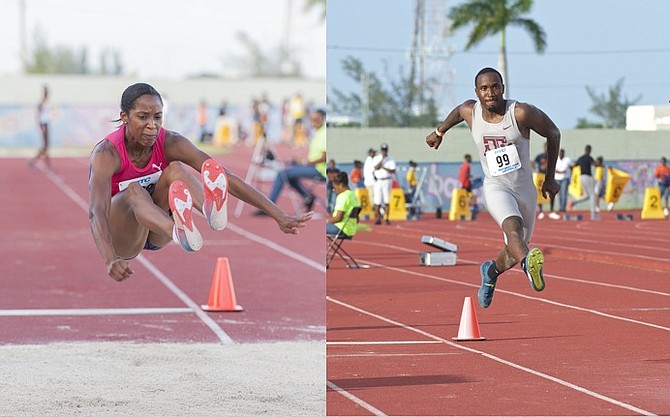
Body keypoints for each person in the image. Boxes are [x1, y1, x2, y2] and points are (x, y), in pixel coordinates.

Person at [88, 83, 312, 282]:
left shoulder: (170, 142)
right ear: (125, 117)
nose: (152, 125)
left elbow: (225, 178)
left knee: (176, 169)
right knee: (134, 191)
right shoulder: (107, 153)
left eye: (157, 117)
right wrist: (109, 259)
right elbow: (97, 210)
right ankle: (179, 232)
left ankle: (209, 210)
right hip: (124, 236)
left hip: (156, 232)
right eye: (143, 117)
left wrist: (277, 214)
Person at [425, 67, 560, 309]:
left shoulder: (520, 113)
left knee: (512, 249)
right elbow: (457, 112)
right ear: (476, 92)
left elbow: (553, 132)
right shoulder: (471, 111)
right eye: (484, 88)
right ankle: (529, 265)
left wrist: (550, 177)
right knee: (513, 230)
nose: (490, 93)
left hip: (525, 189)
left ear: (503, 88)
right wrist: (439, 131)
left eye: (495, 86)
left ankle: (491, 272)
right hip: (496, 186)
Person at [254, 109, 327, 215]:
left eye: (316, 119)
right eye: (312, 119)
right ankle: (307, 196)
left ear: (323, 119)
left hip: (320, 170)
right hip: (314, 167)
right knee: (289, 170)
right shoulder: (318, 133)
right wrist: (298, 161)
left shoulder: (323, 133)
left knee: (282, 174)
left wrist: (304, 162)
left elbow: (325, 157)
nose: (313, 121)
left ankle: (269, 207)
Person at [568, 145, 599, 220]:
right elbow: (595, 164)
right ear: (590, 150)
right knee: (592, 196)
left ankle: (574, 202)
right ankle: (593, 215)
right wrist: (599, 164)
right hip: (588, 176)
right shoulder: (589, 157)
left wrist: (570, 167)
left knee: (586, 195)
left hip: (581, 178)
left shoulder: (581, 158)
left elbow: (574, 165)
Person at [327, 171, 360, 238]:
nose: (334, 190)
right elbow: (357, 219)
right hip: (351, 230)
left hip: (341, 229)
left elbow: (338, 218)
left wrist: (327, 221)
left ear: (341, 185)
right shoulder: (353, 195)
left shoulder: (343, 196)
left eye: (335, 188)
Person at [372, 143, 397, 225]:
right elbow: (376, 167)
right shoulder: (377, 158)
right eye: (383, 150)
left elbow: (393, 170)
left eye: (385, 150)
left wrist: (384, 167)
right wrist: (382, 160)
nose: (384, 152)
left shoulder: (391, 159)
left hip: (387, 180)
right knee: (377, 200)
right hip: (378, 180)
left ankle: (387, 218)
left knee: (386, 200)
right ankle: (378, 218)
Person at [534, 143, 561, 220]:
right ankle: (541, 211)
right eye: (545, 147)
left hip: (549, 176)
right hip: (540, 176)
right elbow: (535, 164)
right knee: (540, 193)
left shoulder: (552, 156)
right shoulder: (539, 156)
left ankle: (551, 211)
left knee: (552, 192)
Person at [29, 85, 52, 170]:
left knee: (46, 146)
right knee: (45, 146)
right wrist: (40, 125)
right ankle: (33, 162)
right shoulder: (41, 102)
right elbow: (38, 115)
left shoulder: (46, 102)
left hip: (46, 123)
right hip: (44, 124)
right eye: (47, 93)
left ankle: (47, 164)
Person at [554, 148, 572, 216]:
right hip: (557, 178)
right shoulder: (556, 159)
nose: (561, 155)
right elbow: (554, 169)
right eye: (560, 153)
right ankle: (560, 207)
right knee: (559, 194)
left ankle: (563, 208)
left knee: (564, 193)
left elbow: (571, 167)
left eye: (562, 153)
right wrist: (560, 171)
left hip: (565, 178)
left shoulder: (567, 160)